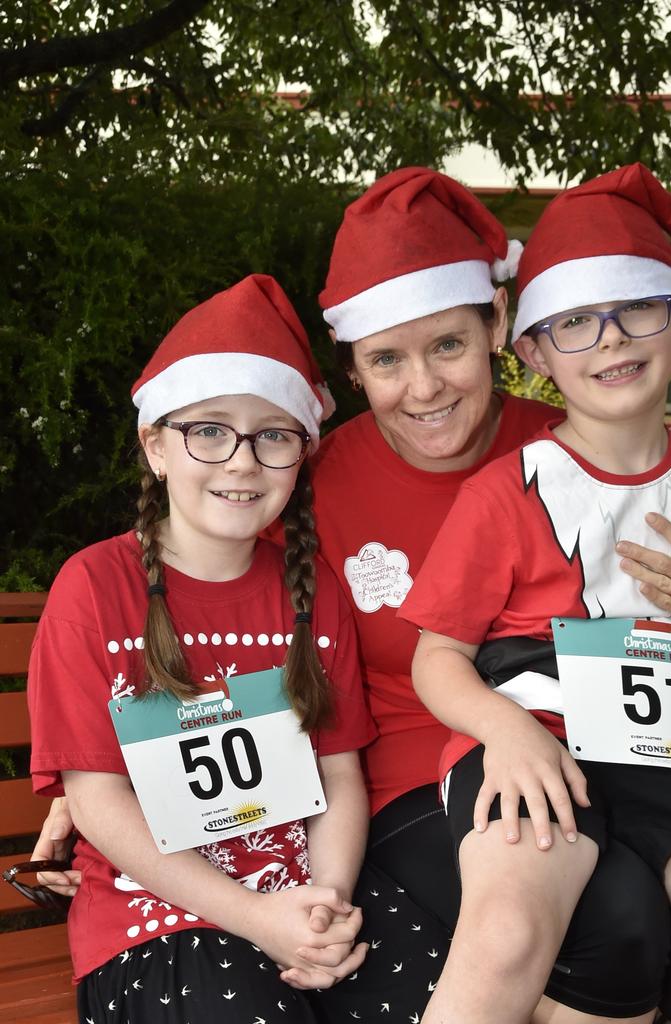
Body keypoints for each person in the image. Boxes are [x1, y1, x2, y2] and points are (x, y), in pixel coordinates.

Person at [33, 169, 671, 1023]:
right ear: (352, 371)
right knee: (615, 918)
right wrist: (87, 784)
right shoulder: (303, 483)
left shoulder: (578, 441)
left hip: (642, 760)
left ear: (498, 329)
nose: (424, 388)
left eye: (448, 346)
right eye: (387, 359)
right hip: (421, 780)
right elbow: (200, 598)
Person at [27, 273, 449, 1024]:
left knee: (449, 995)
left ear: (300, 455)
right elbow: (95, 800)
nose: (243, 460)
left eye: (274, 435)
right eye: (209, 431)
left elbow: (339, 776)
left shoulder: (310, 588)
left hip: (304, 890)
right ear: (155, 446)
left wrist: (325, 906)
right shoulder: (93, 586)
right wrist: (258, 920)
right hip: (157, 911)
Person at [401, 163, 671, 1024]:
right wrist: (506, 732)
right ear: (531, 351)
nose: (609, 340)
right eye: (573, 323)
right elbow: (437, 656)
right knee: (507, 935)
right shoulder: (503, 492)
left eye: (636, 308)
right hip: (544, 743)